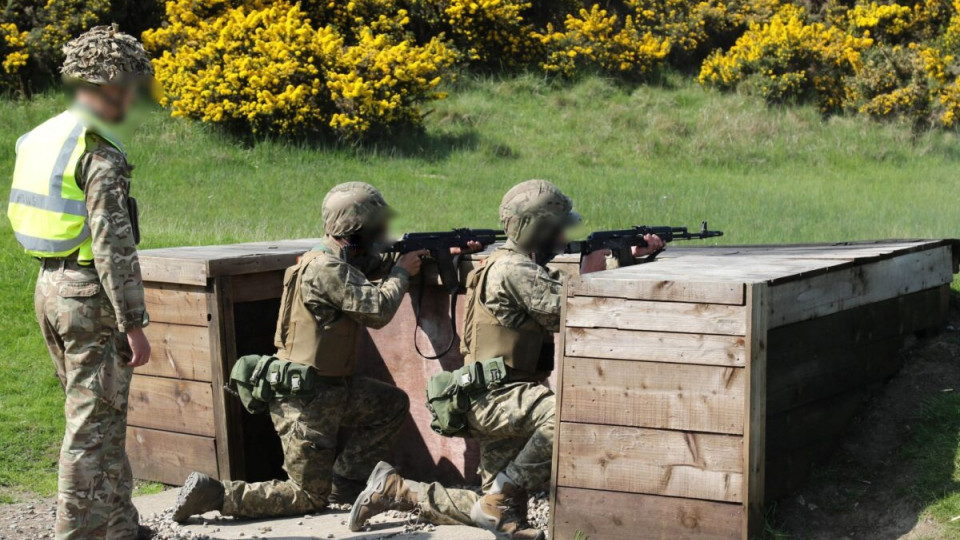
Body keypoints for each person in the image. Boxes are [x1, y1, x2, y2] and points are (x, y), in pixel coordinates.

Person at [348, 179, 664, 539]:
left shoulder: (508, 263)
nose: (563, 238)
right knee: (566, 417)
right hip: (497, 397)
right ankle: (501, 495)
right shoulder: (516, 270)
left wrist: (623, 262)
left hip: (492, 394)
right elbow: (573, 313)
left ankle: (394, 490)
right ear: (537, 228)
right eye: (558, 229)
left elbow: (560, 293)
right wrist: (602, 270)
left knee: (497, 512)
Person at [171, 182, 477, 521]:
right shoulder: (326, 269)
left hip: (331, 390)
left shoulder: (336, 258)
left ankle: (344, 484)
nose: (382, 233)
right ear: (356, 230)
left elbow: (375, 264)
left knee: (390, 405)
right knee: (305, 497)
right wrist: (403, 272)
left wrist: (438, 251)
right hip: (305, 402)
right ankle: (213, 494)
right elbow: (377, 309)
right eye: (376, 228)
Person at [6, 25, 155, 540]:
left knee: (101, 416)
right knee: (91, 430)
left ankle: (119, 527)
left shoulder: (41, 135)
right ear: (112, 84)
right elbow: (114, 248)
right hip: (90, 295)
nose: (135, 97)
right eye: (133, 85)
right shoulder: (99, 152)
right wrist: (133, 322)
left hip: (49, 287)